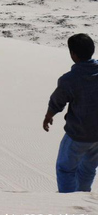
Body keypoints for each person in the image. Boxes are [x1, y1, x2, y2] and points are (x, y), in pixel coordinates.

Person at [43, 33, 98, 193]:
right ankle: (82, 200)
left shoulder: (69, 79)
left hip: (78, 134)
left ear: (73, 54)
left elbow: (57, 101)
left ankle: (69, 204)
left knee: (65, 169)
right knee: (87, 170)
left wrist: (48, 116)